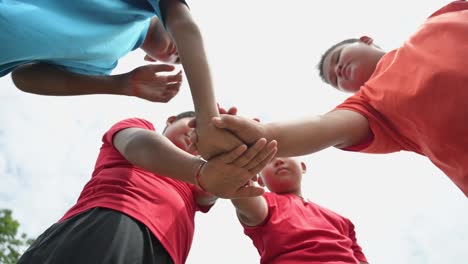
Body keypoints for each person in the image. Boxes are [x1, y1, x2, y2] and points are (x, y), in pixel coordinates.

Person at [205, 0, 468, 197]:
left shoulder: (438, 19)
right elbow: (323, 127)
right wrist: (260, 134)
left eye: (338, 59)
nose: (337, 71)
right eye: (336, 80)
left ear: (365, 40)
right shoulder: (372, 107)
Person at [17, 111, 277, 264]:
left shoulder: (201, 186)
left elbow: (223, 188)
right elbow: (137, 145)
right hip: (116, 219)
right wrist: (201, 170)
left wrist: (237, 152)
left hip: (168, 255)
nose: (199, 135)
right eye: (194, 124)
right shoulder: (142, 129)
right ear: (171, 120)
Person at [1, 0, 245, 157]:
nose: (180, 53)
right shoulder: (145, 9)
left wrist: (121, 85)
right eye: (182, 47)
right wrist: (207, 118)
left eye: (179, 60)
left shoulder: (105, 63)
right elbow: (184, 24)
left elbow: (25, 77)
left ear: (153, 60)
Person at [230, 157, 368, 264]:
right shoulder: (264, 203)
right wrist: (240, 159)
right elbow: (242, 192)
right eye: (268, 160)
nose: (278, 160)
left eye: (286, 153)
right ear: (260, 181)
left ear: (303, 167)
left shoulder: (342, 221)